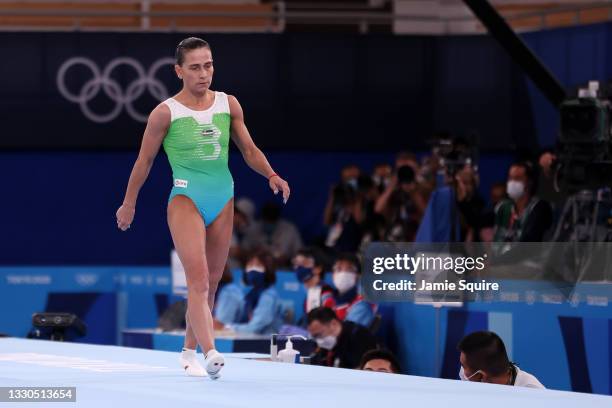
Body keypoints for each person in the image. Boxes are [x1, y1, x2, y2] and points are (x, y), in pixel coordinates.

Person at [115, 37, 290, 379]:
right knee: (197, 281)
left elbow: (250, 150)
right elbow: (144, 161)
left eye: (208, 65)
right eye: (194, 67)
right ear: (178, 71)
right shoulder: (165, 113)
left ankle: (188, 351)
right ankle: (211, 352)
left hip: (223, 197)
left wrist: (270, 173)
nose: (203, 73)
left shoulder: (229, 104)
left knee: (211, 282)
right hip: (185, 199)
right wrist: (129, 202)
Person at [221, 249, 284, 335]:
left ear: (268, 269)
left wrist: (226, 327)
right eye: (250, 265)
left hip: (267, 344)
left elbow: (254, 328)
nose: (253, 269)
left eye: (258, 265)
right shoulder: (249, 295)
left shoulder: (269, 296)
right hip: (249, 341)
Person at [457, 331, 544, 388]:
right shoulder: (469, 376)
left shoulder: (533, 393)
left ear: (481, 375)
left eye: (464, 366)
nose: (462, 371)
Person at [493, 161, 552, 243]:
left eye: (517, 178)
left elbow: (529, 242)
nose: (512, 182)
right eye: (510, 178)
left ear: (529, 182)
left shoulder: (539, 208)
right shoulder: (502, 207)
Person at [307, 307, 378, 369]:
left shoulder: (359, 337)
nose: (319, 341)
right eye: (314, 337)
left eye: (319, 335)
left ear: (333, 324)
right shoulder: (325, 344)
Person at [241, 202, 303, 266]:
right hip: (258, 267)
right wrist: (254, 253)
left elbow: (299, 253)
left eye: (272, 221)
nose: (269, 223)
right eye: (267, 220)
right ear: (263, 217)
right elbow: (243, 251)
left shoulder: (290, 229)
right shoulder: (253, 229)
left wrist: (288, 260)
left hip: (283, 269)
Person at [331, 253, 375, 328]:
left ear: (358, 276)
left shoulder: (361, 306)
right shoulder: (333, 301)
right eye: (338, 269)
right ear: (332, 275)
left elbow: (345, 337)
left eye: (349, 270)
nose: (343, 274)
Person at [292, 247, 336, 314]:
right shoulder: (310, 292)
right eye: (296, 264)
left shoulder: (325, 295)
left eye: (305, 263)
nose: (299, 268)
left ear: (318, 269)